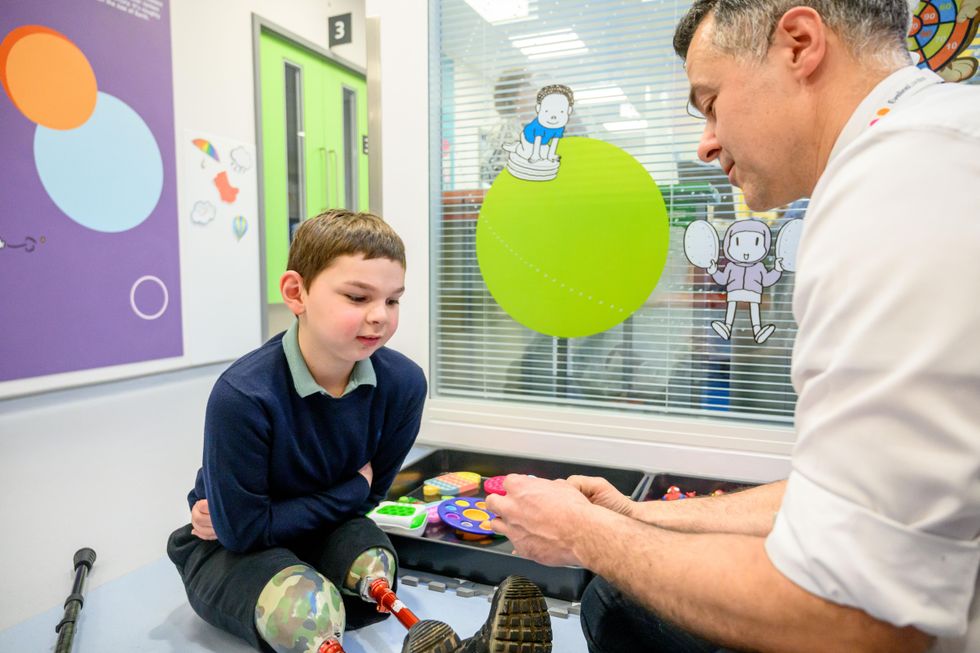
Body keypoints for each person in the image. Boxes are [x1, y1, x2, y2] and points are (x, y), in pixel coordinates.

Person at [486, 1, 980, 652]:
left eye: (712, 102)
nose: (705, 141)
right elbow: (847, 498)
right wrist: (639, 514)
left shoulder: (898, 186)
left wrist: (584, 534)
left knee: (615, 597)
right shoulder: (935, 141)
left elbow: (855, 617)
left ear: (799, 44)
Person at [166, 209, 553, 653]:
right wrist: (349, 488)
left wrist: (343, 497)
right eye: (357, 297)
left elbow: (370, 498)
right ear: (297, 292)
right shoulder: (243, 396)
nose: (380, 317)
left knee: (377, 566)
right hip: (230, 550)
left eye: (392, 300)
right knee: (305, 609)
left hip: (323, 532)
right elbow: (242, 533)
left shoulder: (404, 385)